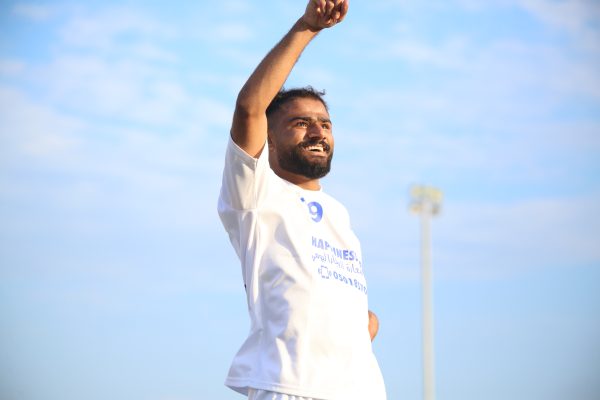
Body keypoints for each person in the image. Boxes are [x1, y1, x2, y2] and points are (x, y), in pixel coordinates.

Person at [217, 1, 386, 399]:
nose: (318, 132)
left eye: (325, 124)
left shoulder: (339, 215)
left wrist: (359, 326)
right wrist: (308, 27)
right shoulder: (255, 192)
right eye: (300, 123)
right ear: (269, 138)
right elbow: (249, 108)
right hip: (291, 387)